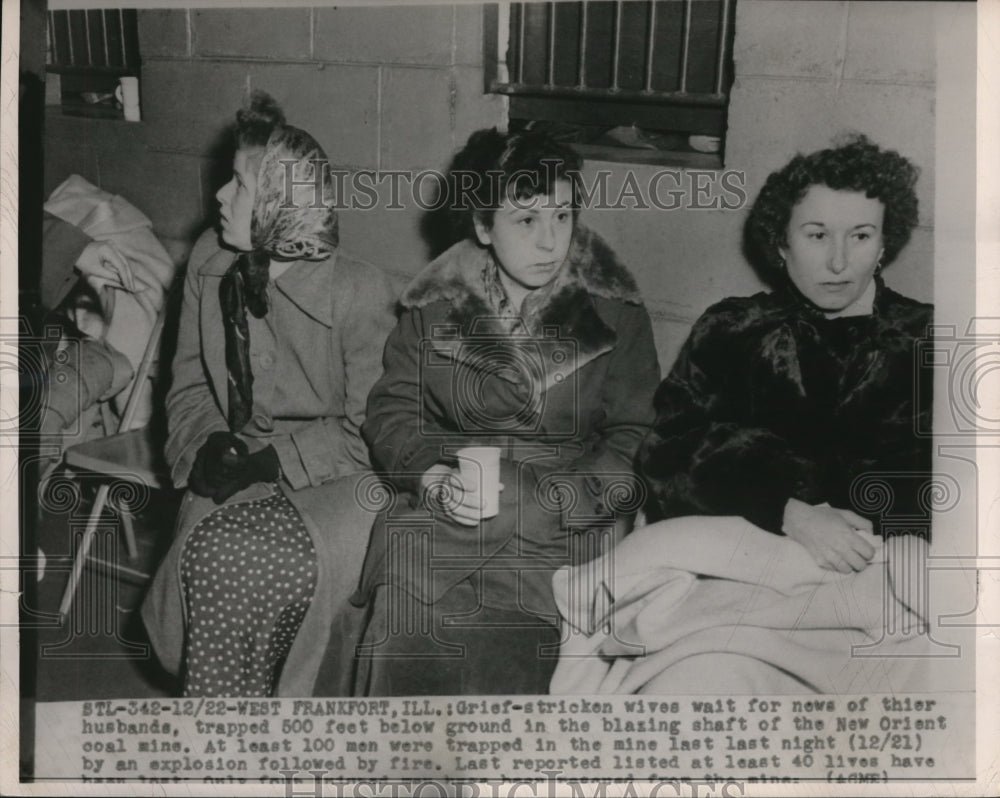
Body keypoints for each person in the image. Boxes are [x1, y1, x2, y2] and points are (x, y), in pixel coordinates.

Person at [353, 127, 661, 695]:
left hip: (555, 538)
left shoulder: (616, 314)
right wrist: (429, 474)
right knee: (404, 667)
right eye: (526, 220)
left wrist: (561, 502)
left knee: (502, 687)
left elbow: (635, 437)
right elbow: (393, 410)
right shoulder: (435, 304)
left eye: (563, 216)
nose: (551, 242)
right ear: (482, 226)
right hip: (441, 525)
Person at [141, 92, 397, 697]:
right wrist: (207, 443)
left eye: (238, 184)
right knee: (208, 557)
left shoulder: (360, 291)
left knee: (261, 563)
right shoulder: (209, 259)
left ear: (284, 205)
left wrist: (278, 459)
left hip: (346, 479)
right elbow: (189, 387)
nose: (221, 197)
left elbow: (375, 433)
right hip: (239, 462)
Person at [636, 135, 933, 575]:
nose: (839, 262)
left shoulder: (930, 339)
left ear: (884, 243)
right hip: (749, 559)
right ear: (781, 244)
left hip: (884, 570)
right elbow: (666, 456)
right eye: (817, 235)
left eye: (861, 236)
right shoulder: (732, 330)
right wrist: (790, 512)